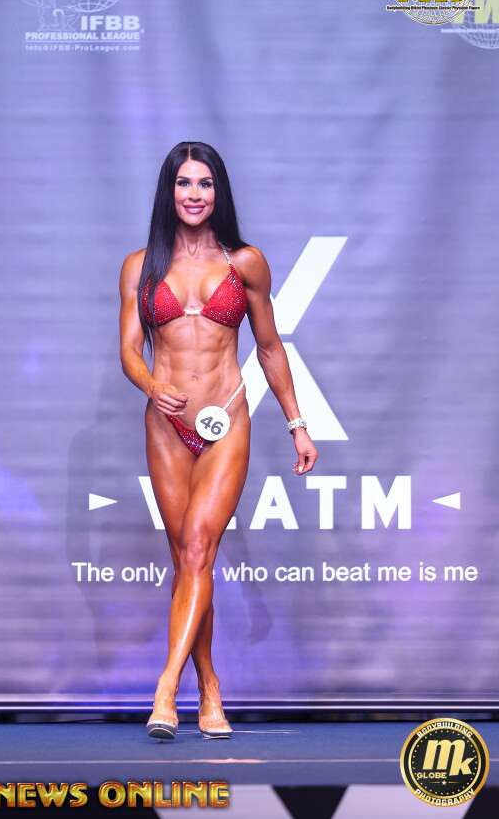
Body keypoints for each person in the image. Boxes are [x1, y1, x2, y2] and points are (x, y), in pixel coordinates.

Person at [119, 142, 318, 740]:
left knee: (199, 549)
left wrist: (297, 423)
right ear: (169, 191)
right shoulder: (140, 266)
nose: (194, 194)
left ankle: (165, 690)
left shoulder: (246, 262)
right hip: (166, 424)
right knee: (187, 559)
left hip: (227, 419)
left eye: (205, 184)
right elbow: (129, 349)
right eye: (184, 183)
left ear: (218, 192)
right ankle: (209, 688)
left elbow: (270, 347)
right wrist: (153, 385)